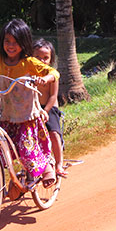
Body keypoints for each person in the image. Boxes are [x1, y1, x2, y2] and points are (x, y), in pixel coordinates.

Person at [0, 19, 60, 189]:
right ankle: (3, 183)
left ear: (23, 43)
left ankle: (47, 166)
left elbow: (53, 72)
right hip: (6, 113)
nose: (10, 46)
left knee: (27, 151)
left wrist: (45, 78)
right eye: (7, 41)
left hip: (25, 115)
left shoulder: (29, 62)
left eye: (15, 42)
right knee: (1, 150)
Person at [33, 38, 67, 178]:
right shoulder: (29, 73)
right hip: (34, 108)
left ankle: (59, 163)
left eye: (45, 58)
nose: (42, 60)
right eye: (37, 57)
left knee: (53, 133)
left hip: (49, 108)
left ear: (51, 59)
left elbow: (53, 96)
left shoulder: (52, 74)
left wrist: (45, 110)